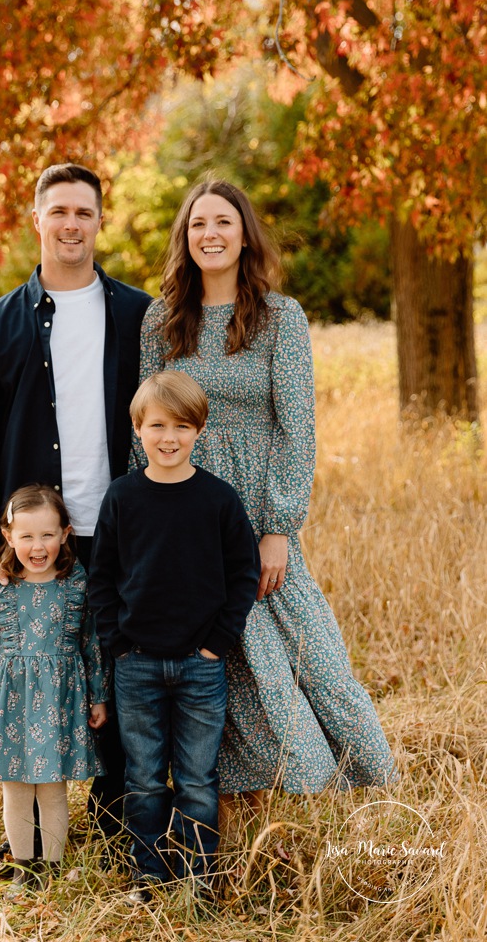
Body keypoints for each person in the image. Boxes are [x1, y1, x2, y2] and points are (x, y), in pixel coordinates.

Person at [138, 180, 396, 806]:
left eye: (224, 222)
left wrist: (279, 526)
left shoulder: (281, 317)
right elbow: (145, 422)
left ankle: (359, 787)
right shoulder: (161, 319)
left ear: (245, 233)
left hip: (257, 511)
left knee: (311, 654)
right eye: (198, 224)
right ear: (185, 237)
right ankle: (249, 808)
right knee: (227, 662)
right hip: (186, 509)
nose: (211, 235)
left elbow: (298, 425)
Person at [0, 163, 151, 857]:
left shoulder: (136, 314)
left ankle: (116, 827)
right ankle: (29, 841)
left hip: (125, 534)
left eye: (83, 212)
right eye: (57, 210)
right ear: (35, 220)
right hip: (43, 543)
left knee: (120, 681)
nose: (70, 224)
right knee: (37, 678)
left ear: (100, 221)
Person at [88, 370, 260, 903]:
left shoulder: (218, 499)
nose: (169, 437)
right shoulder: (122, 498)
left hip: (200, 664)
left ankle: (198, 880)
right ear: (138, 428)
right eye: (157, 425)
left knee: (196, 780)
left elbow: (243, 577)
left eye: (182, 426)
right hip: (136, 664)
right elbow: (102, 579)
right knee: (142, 776)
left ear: (199, 430)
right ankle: (148, 875)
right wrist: (118, 644)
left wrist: (216, 645)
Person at [0, 484, 109, 891]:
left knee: (51, 787)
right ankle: (23, 865)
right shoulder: (3, 582)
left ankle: (52, 868)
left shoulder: (76, 582)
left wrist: (99, 696)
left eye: (47, 534)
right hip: (10, 695)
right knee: (16, 786)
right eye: (26, 536)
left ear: (65, 533)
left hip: (61, 697)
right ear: (8, 537)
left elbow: (91, 641)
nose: (37, 546)